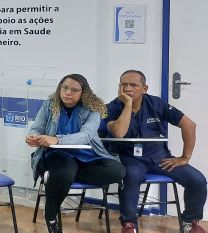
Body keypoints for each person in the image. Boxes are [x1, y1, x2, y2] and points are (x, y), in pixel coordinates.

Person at [104, 70, 206, 233]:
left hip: (160, 158)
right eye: (124, 85)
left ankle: (190, 222)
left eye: (133, 85)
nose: (128, 88)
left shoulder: (157, 104)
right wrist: (128, 104)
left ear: (145, 88)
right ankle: (129, 225)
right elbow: (118, 133)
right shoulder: (112, 107)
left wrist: (185, 157)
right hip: (130, 158)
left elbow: (189, 125)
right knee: (129, 176)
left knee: (197, 180)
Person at [26, 74, 126, 233]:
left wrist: (57, 139)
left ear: (83, 93)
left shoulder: (92, 110)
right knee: (65, 170)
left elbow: (86, 135)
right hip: (57, 155)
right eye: (64, 87)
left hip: (87, 155)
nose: (68, 92)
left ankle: (60, 178)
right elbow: (36, 128)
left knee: (118, 171)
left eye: (74, 90)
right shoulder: (49, 104)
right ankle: (51, 216)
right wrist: (33, 137)